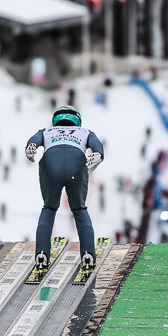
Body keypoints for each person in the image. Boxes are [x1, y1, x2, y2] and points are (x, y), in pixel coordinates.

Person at [25, 105, 104, 272]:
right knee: (79, 210)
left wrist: (31, 147)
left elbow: (34, 140)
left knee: (49, 208)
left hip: (50, 163)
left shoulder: (47, 131)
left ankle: (42, 254)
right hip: (76, 163)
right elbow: (96, 144)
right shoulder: (85, 132)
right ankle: (88, 253)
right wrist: (98, 153)